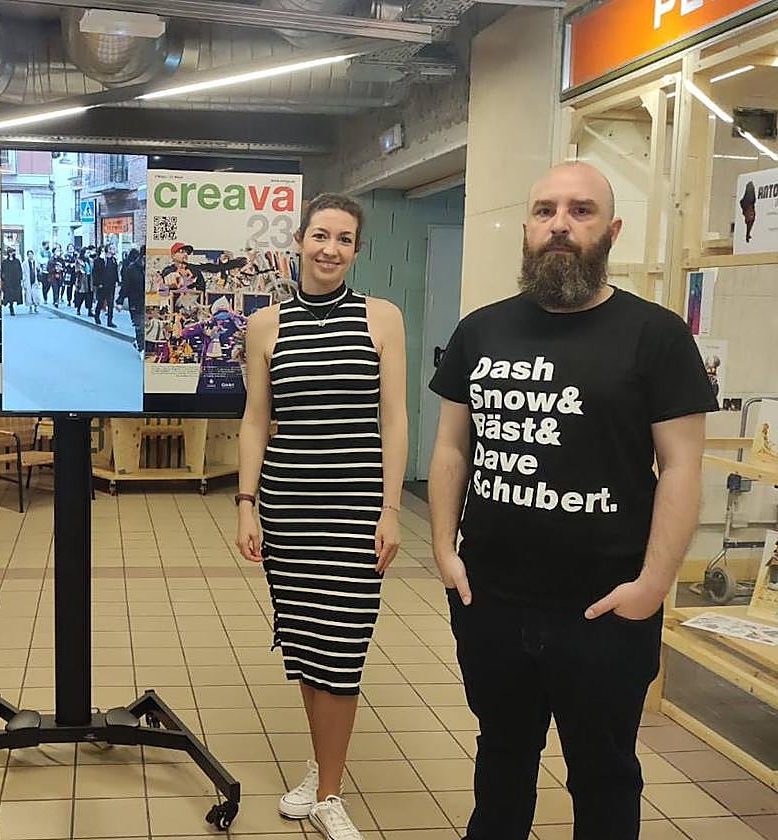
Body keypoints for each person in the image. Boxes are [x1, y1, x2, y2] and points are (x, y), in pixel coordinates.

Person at [427, 162, 717, 840]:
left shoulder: (656, 335)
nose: (560, 223)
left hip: (605, 610)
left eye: (581, 211)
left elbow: (681, 467)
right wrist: (443, 550)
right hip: (491, 602)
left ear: (611, 231)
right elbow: (452, 449)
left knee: (603, 776)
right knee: (501, 764)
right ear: (527, 228)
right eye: (546, 210)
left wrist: (652, 586)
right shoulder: (481, 331)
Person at [236, 193, 408, 840]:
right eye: (320, 235)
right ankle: (321, 767)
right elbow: (256, 420)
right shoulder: (266, 325)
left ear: (356, 250)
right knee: (307, 646)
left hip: (356, 512)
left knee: (343, 649)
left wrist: (392, 510)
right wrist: (247, 504)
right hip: (288, 510)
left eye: (344, 240)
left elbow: (395, 420)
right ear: (300, 240)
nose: (330, 249)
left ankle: (331, 793)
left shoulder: (382, 318)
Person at [117, 248, 146, 350]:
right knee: (140, 326)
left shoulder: (151, 268)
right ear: (143, 256)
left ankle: (139, 343)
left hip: (149, 302)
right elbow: (126, 285)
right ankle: (141, 348)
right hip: (136, 302)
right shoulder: (132, 268)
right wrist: (120, 301)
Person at [92, 245, 119, 327]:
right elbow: (95, 272)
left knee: (111, 303)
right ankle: (97, 315)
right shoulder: (100, 260)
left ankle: (110, 321)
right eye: (113, 248)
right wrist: (98, 283)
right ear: (108, 250)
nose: (114, 250)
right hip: (103, 284)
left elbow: (115, 271)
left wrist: (117, 281)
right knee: (100, 301)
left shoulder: (114, 260)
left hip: (111, 284)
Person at [1, 249, 23, 316]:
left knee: (15, 295)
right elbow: (2, 271)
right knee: (9, 294)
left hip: (16, 281)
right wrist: (3, 279)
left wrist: (20, 278)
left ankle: (9, 304)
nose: (11, 253)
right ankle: (11, 307)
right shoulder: (5, 262)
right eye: (10, 252)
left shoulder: (17, 261)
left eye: (12, 252)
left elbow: (20, 270)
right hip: (8, 281)